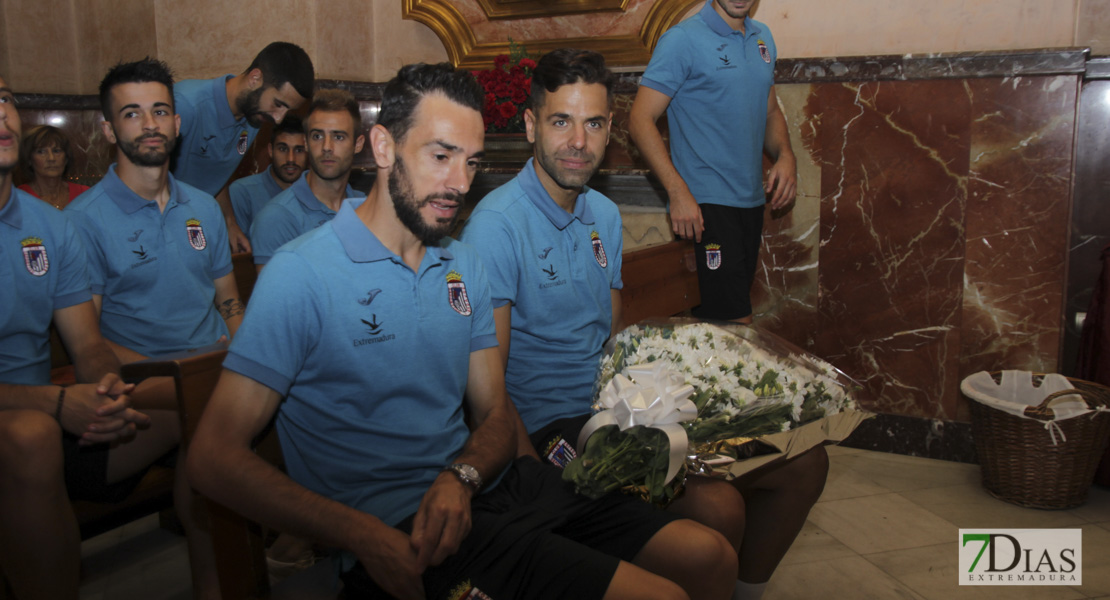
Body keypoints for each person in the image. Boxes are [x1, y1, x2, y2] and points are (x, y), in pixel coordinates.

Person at [187, 62, 737, 600]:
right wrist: (360, 534)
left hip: (489, 491)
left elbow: (495, 412)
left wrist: (463, 475)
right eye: (440, 156)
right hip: (403, 528)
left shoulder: (462, 265)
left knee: (706, 557)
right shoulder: (301, 273)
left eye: (471, 163)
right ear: (382, 148)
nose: (458, 184)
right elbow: (212, 456)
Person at [465, 47, 824, 600]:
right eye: (561, 121)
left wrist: (674, 394)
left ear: (611, 131)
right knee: (717, 506)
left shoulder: (602, 216)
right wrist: (538, 483)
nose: (578, 142)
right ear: (532, 124)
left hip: (615, 413)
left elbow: (612, 345)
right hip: (546, 434)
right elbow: (490, 389)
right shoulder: (498, 225)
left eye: (593, 124)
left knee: (805, 460)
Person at [0, 74, 180, 600]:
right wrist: (56, 404)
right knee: (30, 435)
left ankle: (237, 576)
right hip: (31, 419)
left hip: (46, 413)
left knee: (196, 397)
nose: (1, 113)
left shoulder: (49, 227)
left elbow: (86, 345)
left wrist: (105, 392)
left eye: (5, 98)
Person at [629, 0, 797, 326]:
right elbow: (639, 119)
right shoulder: (682, 40)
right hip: (705, 208)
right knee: (736, 325)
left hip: (750, 202)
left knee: (717, 326)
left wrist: (786, 155)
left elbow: (770, 111)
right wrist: (678, 191)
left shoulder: (763, 38)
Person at [67, 59, 244, 366]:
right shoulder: (81, 221)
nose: (150, 124)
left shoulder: (205, 207)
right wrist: (174, 377)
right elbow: (87, 342)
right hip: (145, 381)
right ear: (109, 131)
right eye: (132, 113)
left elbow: (228, 301)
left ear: (176, 124)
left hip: (217, 365)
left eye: (159, 111)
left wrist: (245, 360)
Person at [172, 42, 314, 253]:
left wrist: (230, 223)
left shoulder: (253, 118)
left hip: (196, 228)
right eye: (278, 104)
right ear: (255, 78)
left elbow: (214, 175)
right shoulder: (185, 105)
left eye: (287, 110)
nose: (278, 119)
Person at [250, 88, 365, 271]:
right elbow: (281, 297)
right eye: (317, 136)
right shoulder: (277, 217)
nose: (327, 147)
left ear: (357, 144)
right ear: (306, 143)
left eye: (338, 137)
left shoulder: (365, 208)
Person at [229, 115, 307, 237]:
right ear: (270, 150)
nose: (291, 159)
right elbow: (240, 252)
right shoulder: (242, 192)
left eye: (299, 150)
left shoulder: (316, 193)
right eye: (283, 149)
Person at [17, 125, 89, 209]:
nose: (51, 158)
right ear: (29, 159)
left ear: (66, 158)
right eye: (41, 152)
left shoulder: (85, 194)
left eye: (56, 151)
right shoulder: (17, 199)